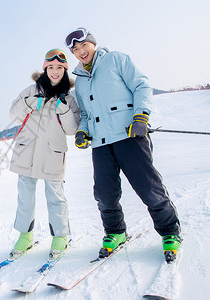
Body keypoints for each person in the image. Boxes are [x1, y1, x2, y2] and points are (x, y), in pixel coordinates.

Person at [64, 27, 182, 262]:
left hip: (129, 136)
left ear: (93, 44)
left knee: (148, 188)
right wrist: (82, 132)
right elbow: (86, 114)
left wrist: (141, 116)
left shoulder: (116, 60)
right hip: (101, 144)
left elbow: (141, 86)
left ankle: (170, 232)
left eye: (83, 46)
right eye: (75, 50)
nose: (80, 52)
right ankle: (115, 233)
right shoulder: (80, 81)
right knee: (105, 194)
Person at [9, 49, 81, 258]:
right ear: (45, 69)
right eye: (51, 67)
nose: (55, 71)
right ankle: (25, 236)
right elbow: (13, 114)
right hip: (27, 152)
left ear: (65, 70)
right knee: (25, 196)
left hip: (53, 153)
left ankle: (60, 236)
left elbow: (72, 129)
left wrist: (65, 111)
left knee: (56, 196)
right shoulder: (31, 90)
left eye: (59, 67)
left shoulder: (69, 97)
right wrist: (29, 103)